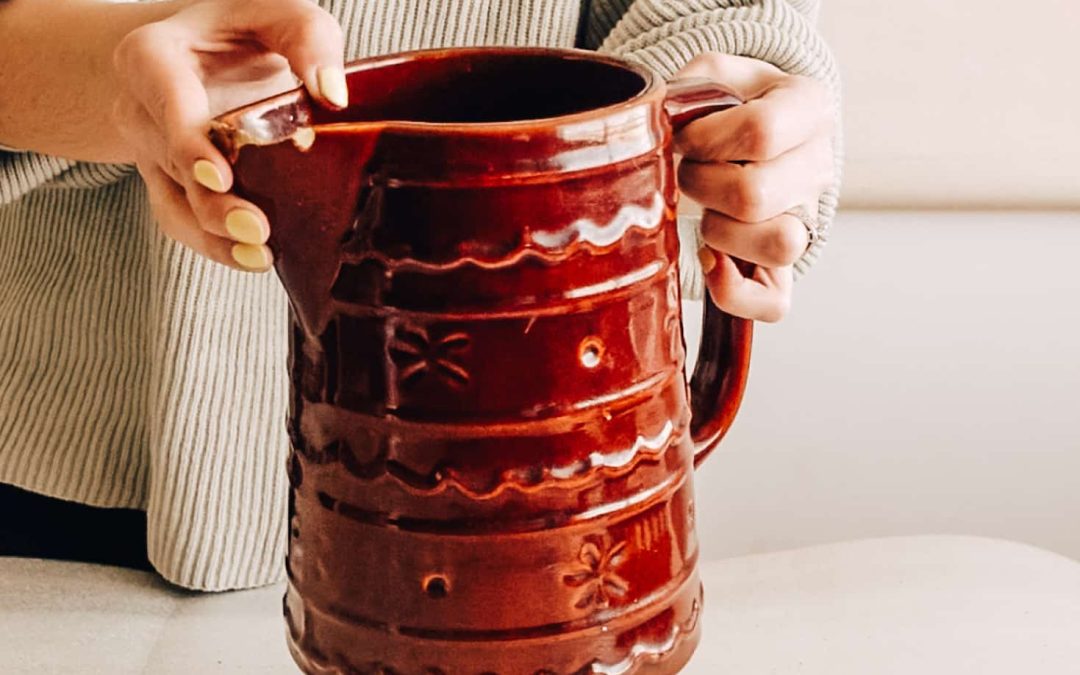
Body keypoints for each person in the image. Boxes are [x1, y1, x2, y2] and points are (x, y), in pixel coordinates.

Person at [0, 0, 839, 590]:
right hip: (62, 475)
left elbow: (717, 29)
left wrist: (746, 129)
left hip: (554, 503)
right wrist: (116, 75)